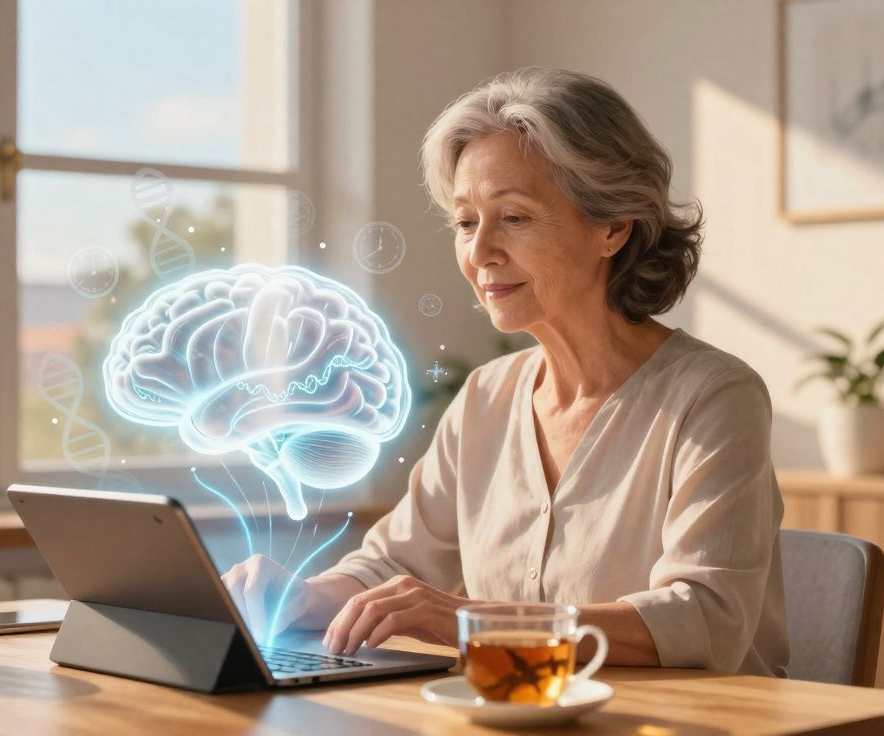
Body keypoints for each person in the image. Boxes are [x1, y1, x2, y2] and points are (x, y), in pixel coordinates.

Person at [222, 67, 789, 676]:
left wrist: (471, 622)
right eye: (466, 222)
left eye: (514, 217)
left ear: (613, 227)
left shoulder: (714, 397)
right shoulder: (485, 398)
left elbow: (704, 619)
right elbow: (396, 567)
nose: (480, 252)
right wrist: (296, 596)